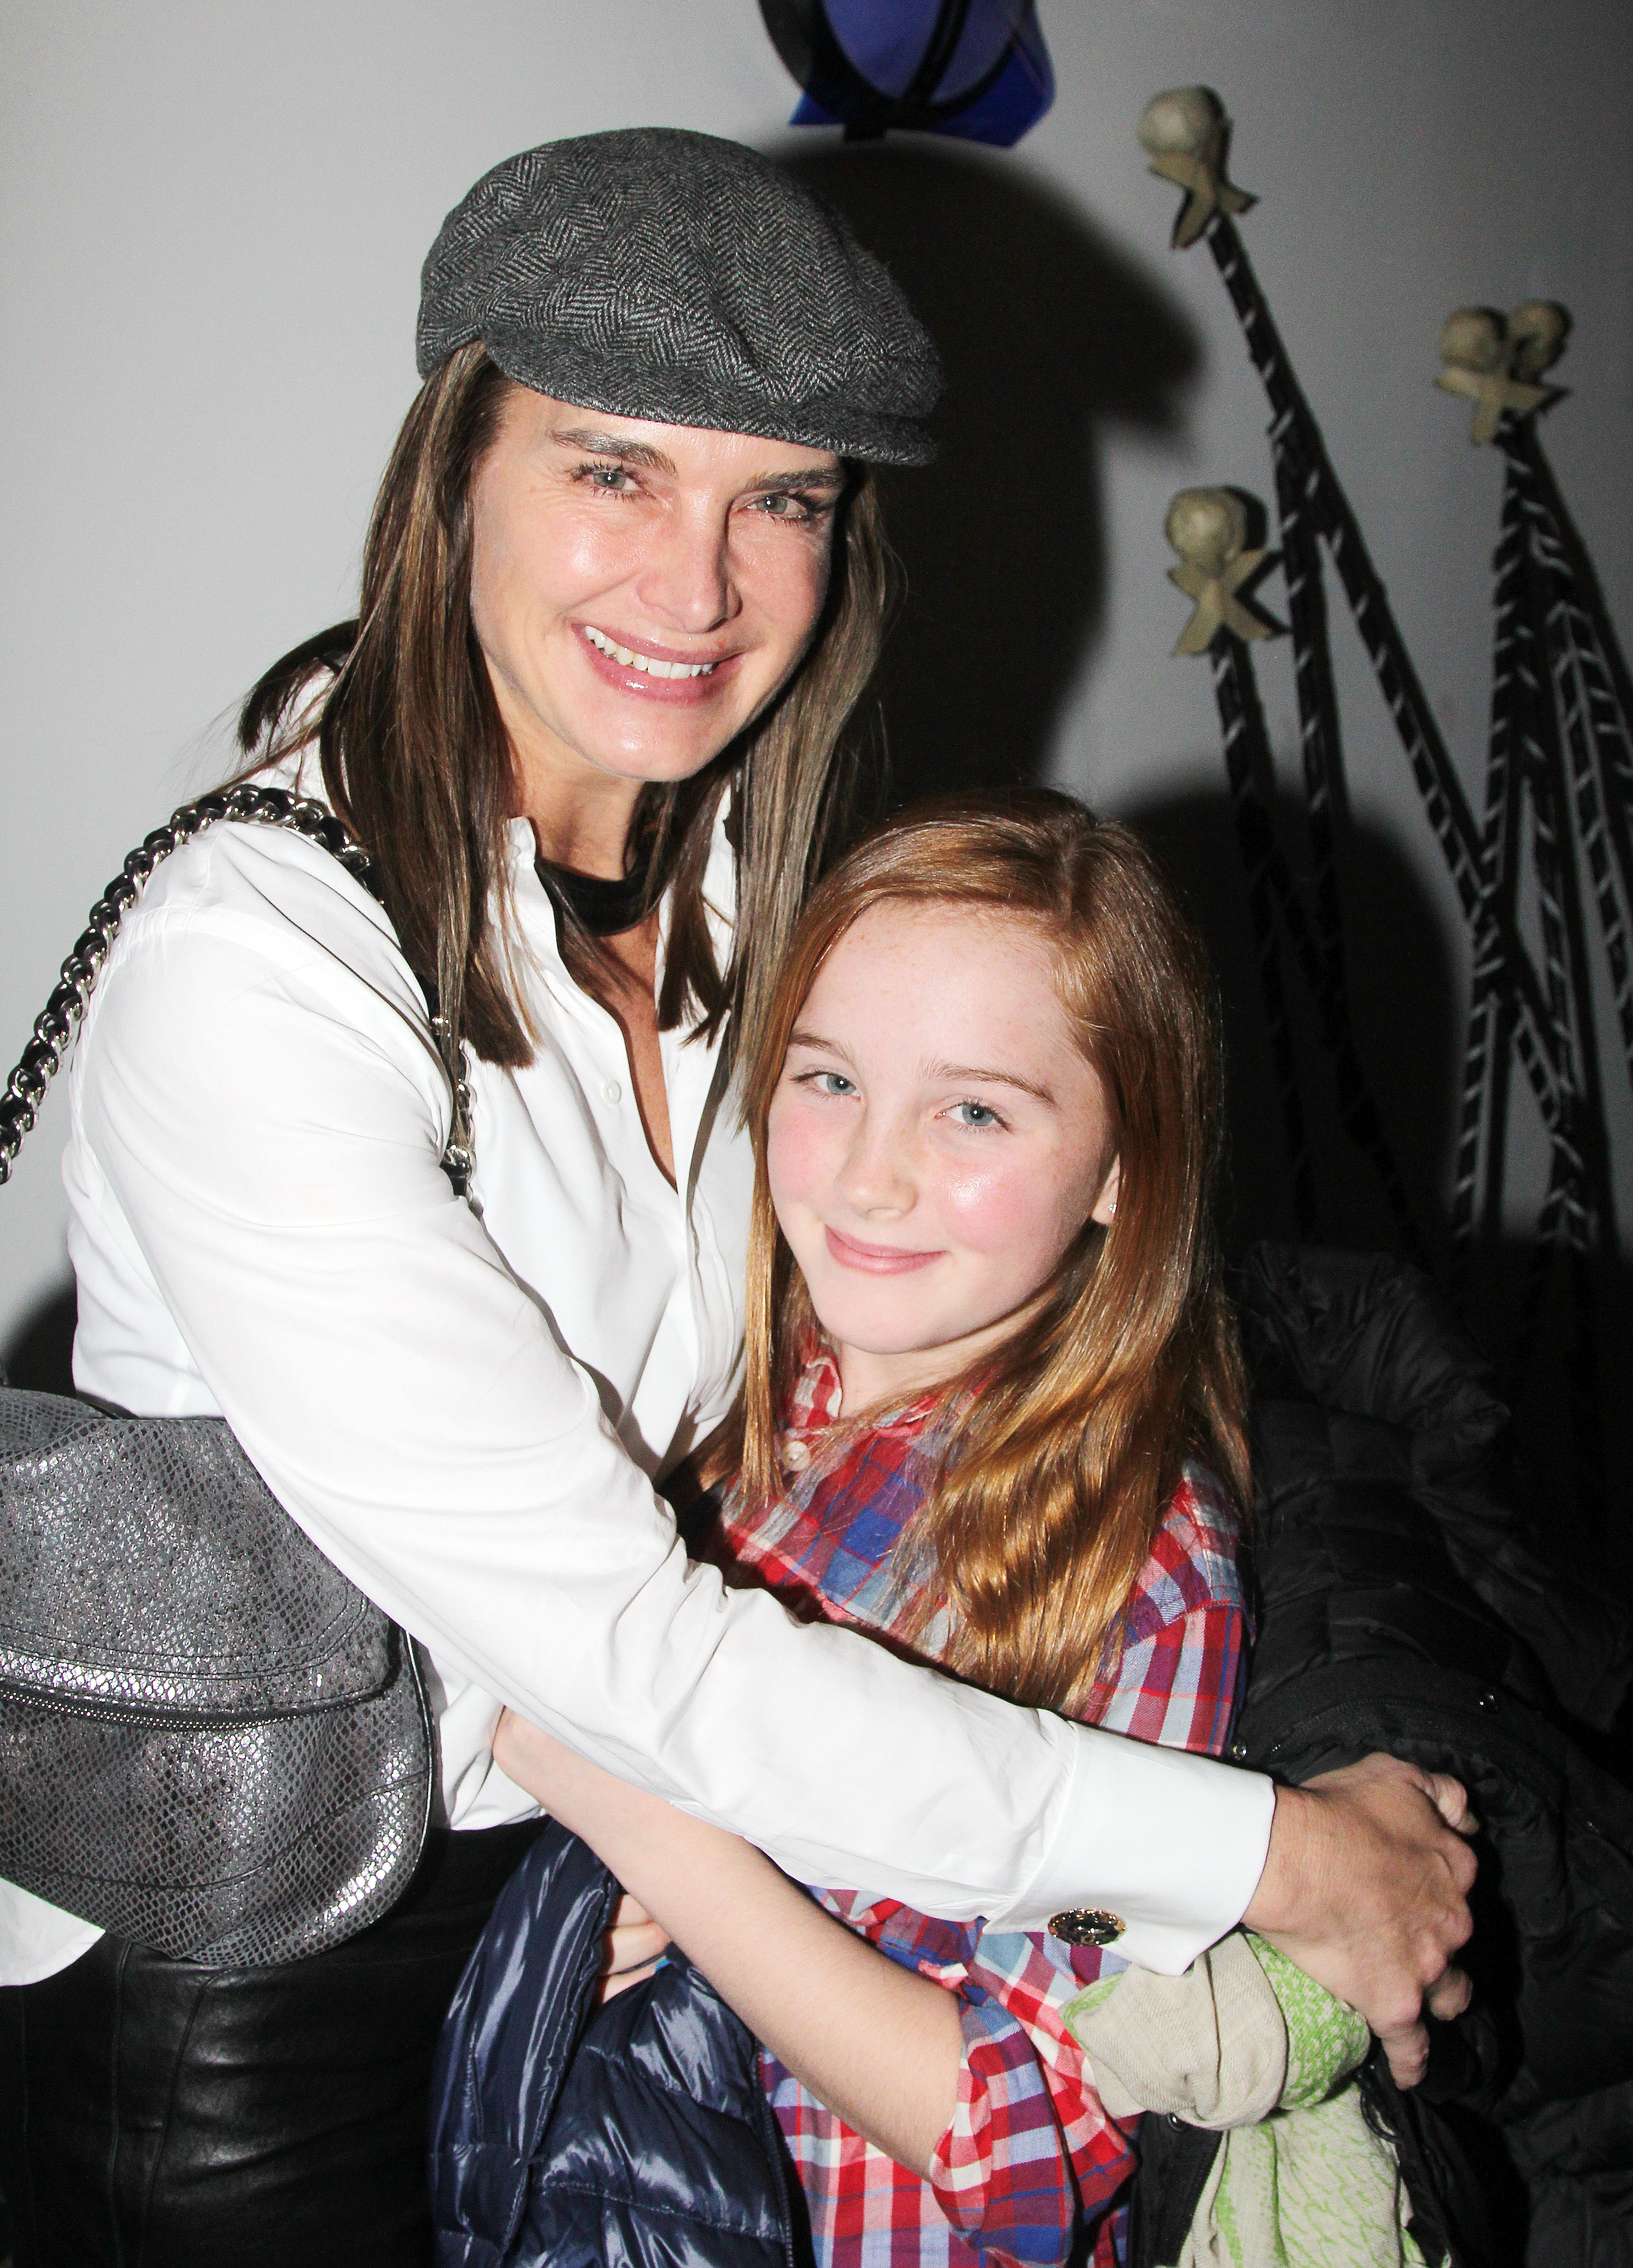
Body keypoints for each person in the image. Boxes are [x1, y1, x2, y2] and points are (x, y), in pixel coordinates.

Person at [0, 129, 1471, 2268]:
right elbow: (625, 1641)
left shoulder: (724, 894)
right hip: (266, 2004)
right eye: (614, 469)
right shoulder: (261, 968)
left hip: (587, 1918)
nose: (697, 589)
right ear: (456, 475)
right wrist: (1262, 1855)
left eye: (780, 498)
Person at [480, 795, 1412, 2266]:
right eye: (829, 1077)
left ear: (1125, 1172)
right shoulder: (694, 1401)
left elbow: (1030, 2154)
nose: (870, 1174)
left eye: (974, 1110)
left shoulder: (1135, 1557)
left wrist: (648, 1822)